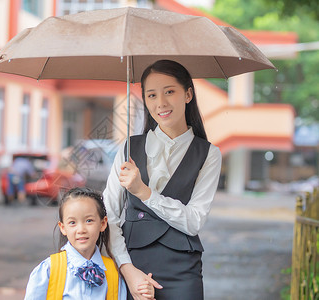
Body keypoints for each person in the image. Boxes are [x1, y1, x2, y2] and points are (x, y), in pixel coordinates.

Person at [103, 60, 222, 299]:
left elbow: (193, 221)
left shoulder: (209, 154)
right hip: (134, 263)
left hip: (182, 270)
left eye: (169, 91)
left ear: (188, 94)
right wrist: (127, 269)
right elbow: (110, 214)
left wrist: (143, 192)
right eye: (152, 95)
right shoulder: (129, 148)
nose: (161, 103)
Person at [24, 187, 155, 300]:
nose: (81, 230)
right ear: (62, 227)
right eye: (72, 223)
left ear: (103, 223)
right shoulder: (49, 270)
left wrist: (144, 293)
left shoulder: (113, 272)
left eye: (89, 221)